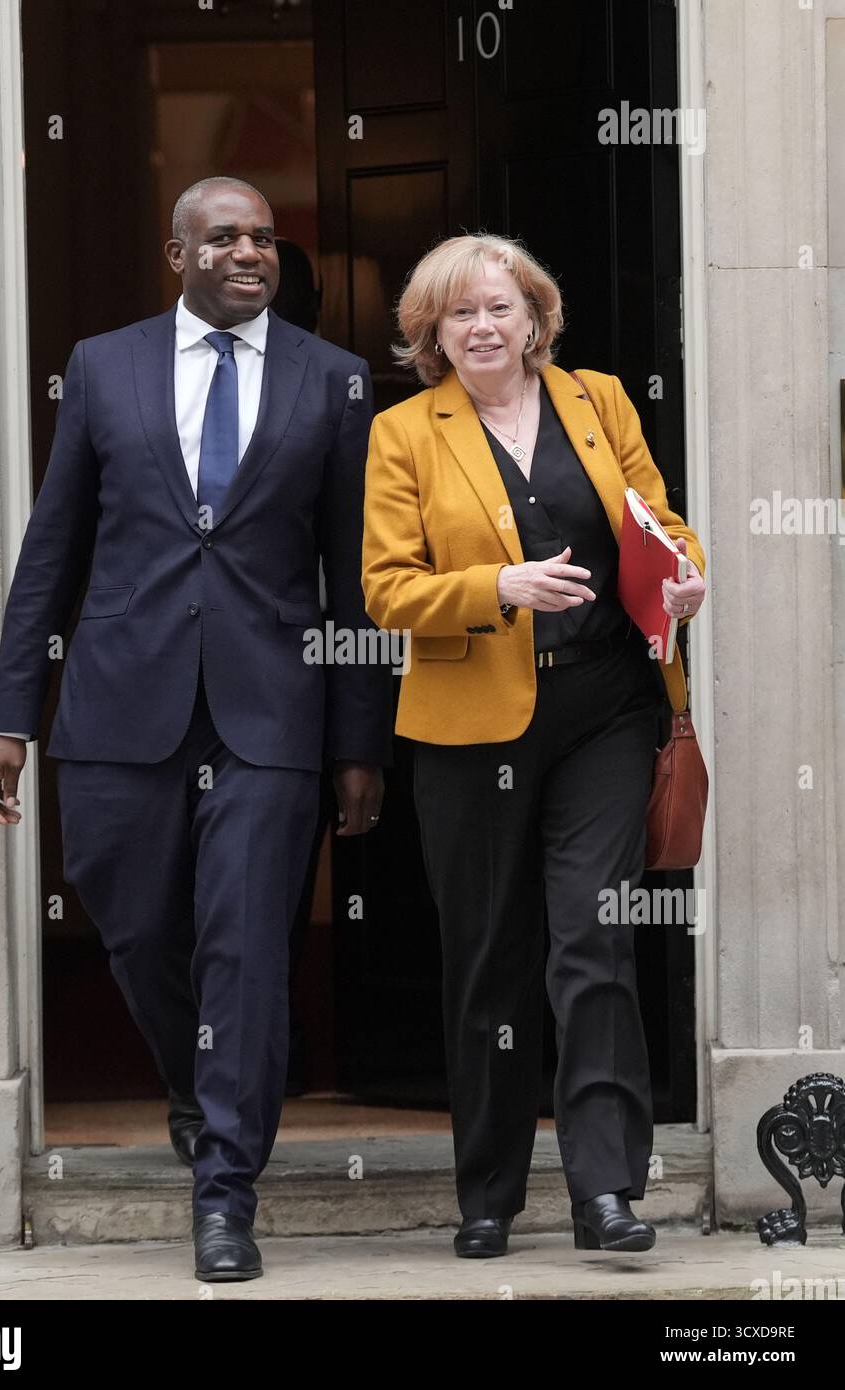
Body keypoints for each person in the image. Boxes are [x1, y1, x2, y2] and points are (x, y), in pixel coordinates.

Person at [0, 176, 391, 1282]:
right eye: (224, 236)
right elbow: (51, 553)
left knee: (246, 947)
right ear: (179, 255)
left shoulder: (336, 381)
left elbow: (352, 580)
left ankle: (224, 1190)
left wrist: (357, 741)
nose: (249, 251)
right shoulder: (103, 366)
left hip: (271, 714)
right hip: (119, 703)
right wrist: (13, 712)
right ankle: (192, 1082)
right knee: (137, 927)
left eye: (262, 236)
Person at [361, 233, 706, 1258]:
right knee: (488, 960)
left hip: (605, 707)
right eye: (457, 314)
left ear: (533, 318)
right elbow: (387, 590)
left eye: (499, 308)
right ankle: (489, 1194)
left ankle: (606, 1189)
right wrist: (494, 589)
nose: (480, 327)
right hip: (471, 727)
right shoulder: (404, 433)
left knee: (592, 936)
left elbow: (664, 525)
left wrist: (685, 576)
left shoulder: (598, 401)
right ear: (430, 333)